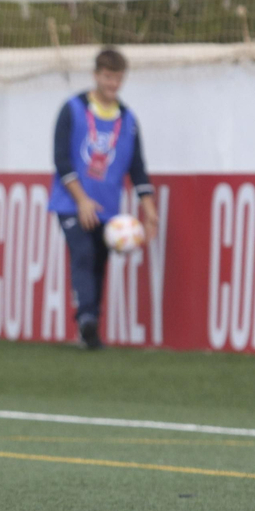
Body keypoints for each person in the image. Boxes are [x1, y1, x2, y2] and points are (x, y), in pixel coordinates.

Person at [48, 47, 158, 350]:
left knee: (99, 261)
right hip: (72, 203)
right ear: (96, 75)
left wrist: (149, 210)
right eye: (108, 77)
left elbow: (137, 167)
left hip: (107, 206)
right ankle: (86, 319)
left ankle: (90, 328)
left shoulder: (128, 119)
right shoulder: (72, 109)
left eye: (118, 78)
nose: (113, 84)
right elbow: (61, 159)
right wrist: (82, 200)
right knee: (83, 254)